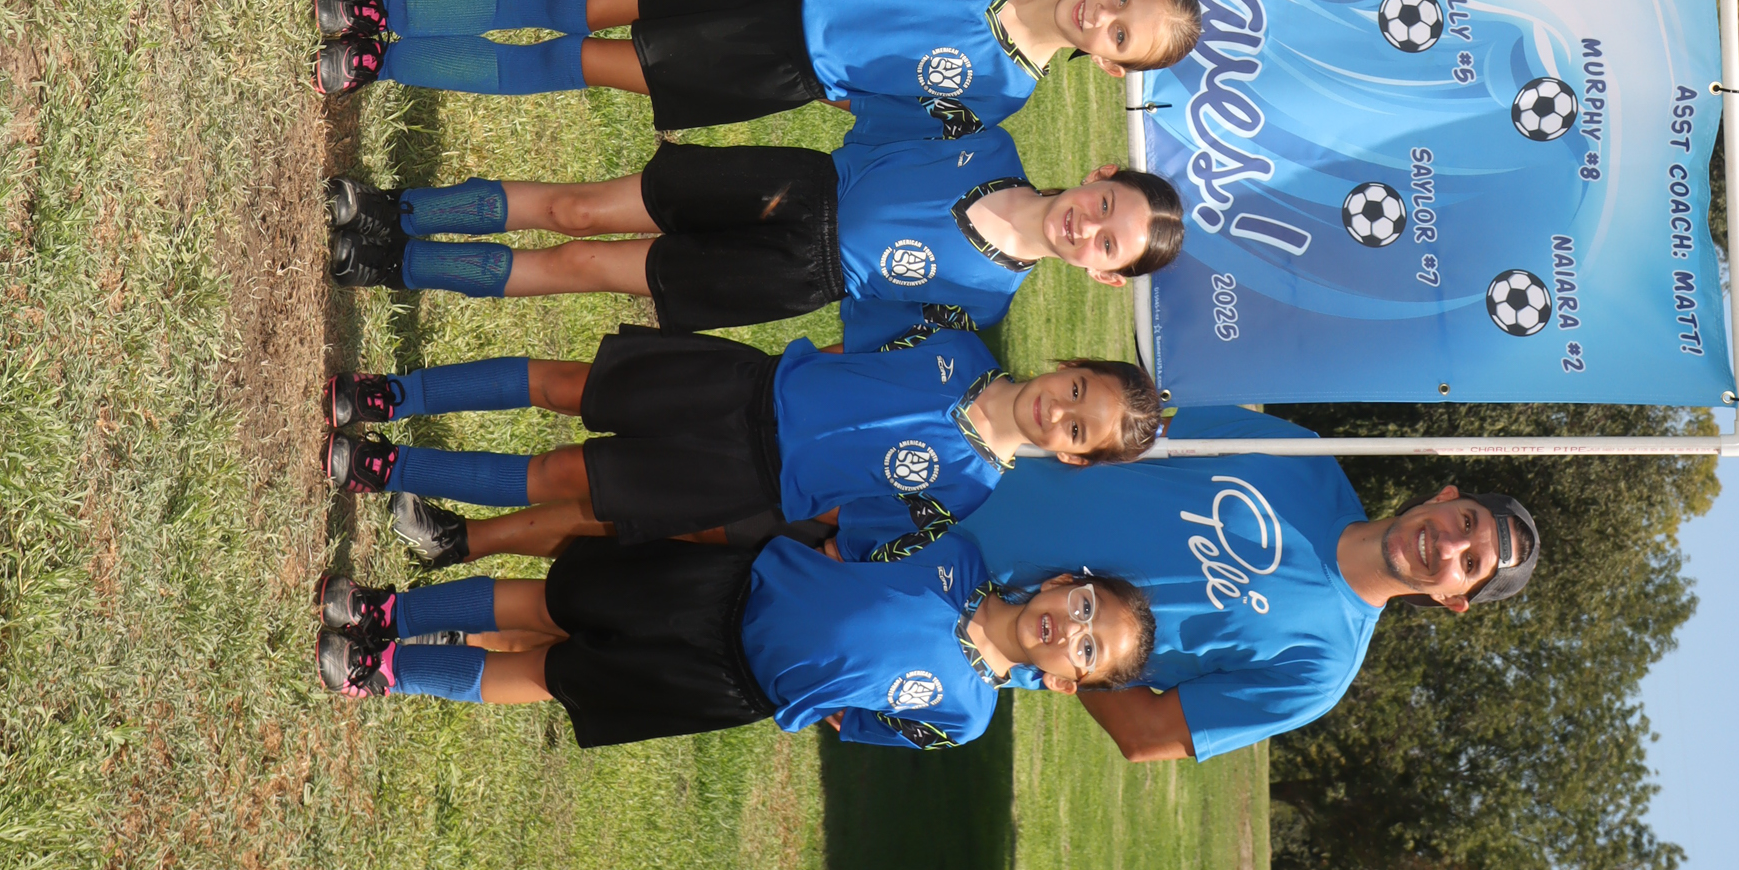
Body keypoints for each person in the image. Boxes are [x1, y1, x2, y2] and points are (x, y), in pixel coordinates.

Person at [953, 405, 1541, 763]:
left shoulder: (1321, 670)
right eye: (1467, 522)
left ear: (1451, 599)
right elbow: (1127, 430)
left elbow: (1146, 734)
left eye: (1470, 564)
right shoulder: (1302, 454)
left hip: (963, 615)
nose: (1450, 544)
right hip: (968, 471)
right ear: (1445, 497)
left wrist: (1071, 644)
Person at [312, 318, 1163, 561]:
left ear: (1072, 455)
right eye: (1076, 390)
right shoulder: (957, 341)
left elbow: (849, 524)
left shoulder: (966, 493)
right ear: (1069, 365)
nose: (1058, 410)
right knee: (564, 384)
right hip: (738, 384)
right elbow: (853, 350)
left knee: (558, 475)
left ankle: (385, 466)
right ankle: (390, 395)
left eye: (1076, 428)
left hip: (738, 474)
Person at [311, 528, 1156, 751]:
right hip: (729, 587)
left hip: (733, 684)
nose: (1073, 630)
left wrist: (821, 695)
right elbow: (854, 535)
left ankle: (387, 668)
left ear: (1064, 683)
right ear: (1061, 581)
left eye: (1088, 651)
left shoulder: (966, 716)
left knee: (551, 672)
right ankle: (392, 611)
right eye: (1085, 606)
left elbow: (863, 722)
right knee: (550, 600)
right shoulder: (955, 551)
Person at [307, 0, 1203, 128]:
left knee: (579, 60)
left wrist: (820, 71)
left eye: (1122, 37)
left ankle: (382, 65)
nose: (1105, 16)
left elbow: (879, 113)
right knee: (576, 3)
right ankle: (384, 14)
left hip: (774, 66)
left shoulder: (1004, 94)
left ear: (1110, 64)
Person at [320, 127, 1185, 335]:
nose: (1089, 227)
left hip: (789, 276)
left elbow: (869, 334)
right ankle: (396, 210)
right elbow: (876, 118)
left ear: (1102, 274)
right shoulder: (988, 142)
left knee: (583, 264)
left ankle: (396, 267)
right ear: (1100, 175)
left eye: (1107, 245)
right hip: (788, 185)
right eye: (1106, 206)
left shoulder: (982, 302)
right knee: (578, 209)